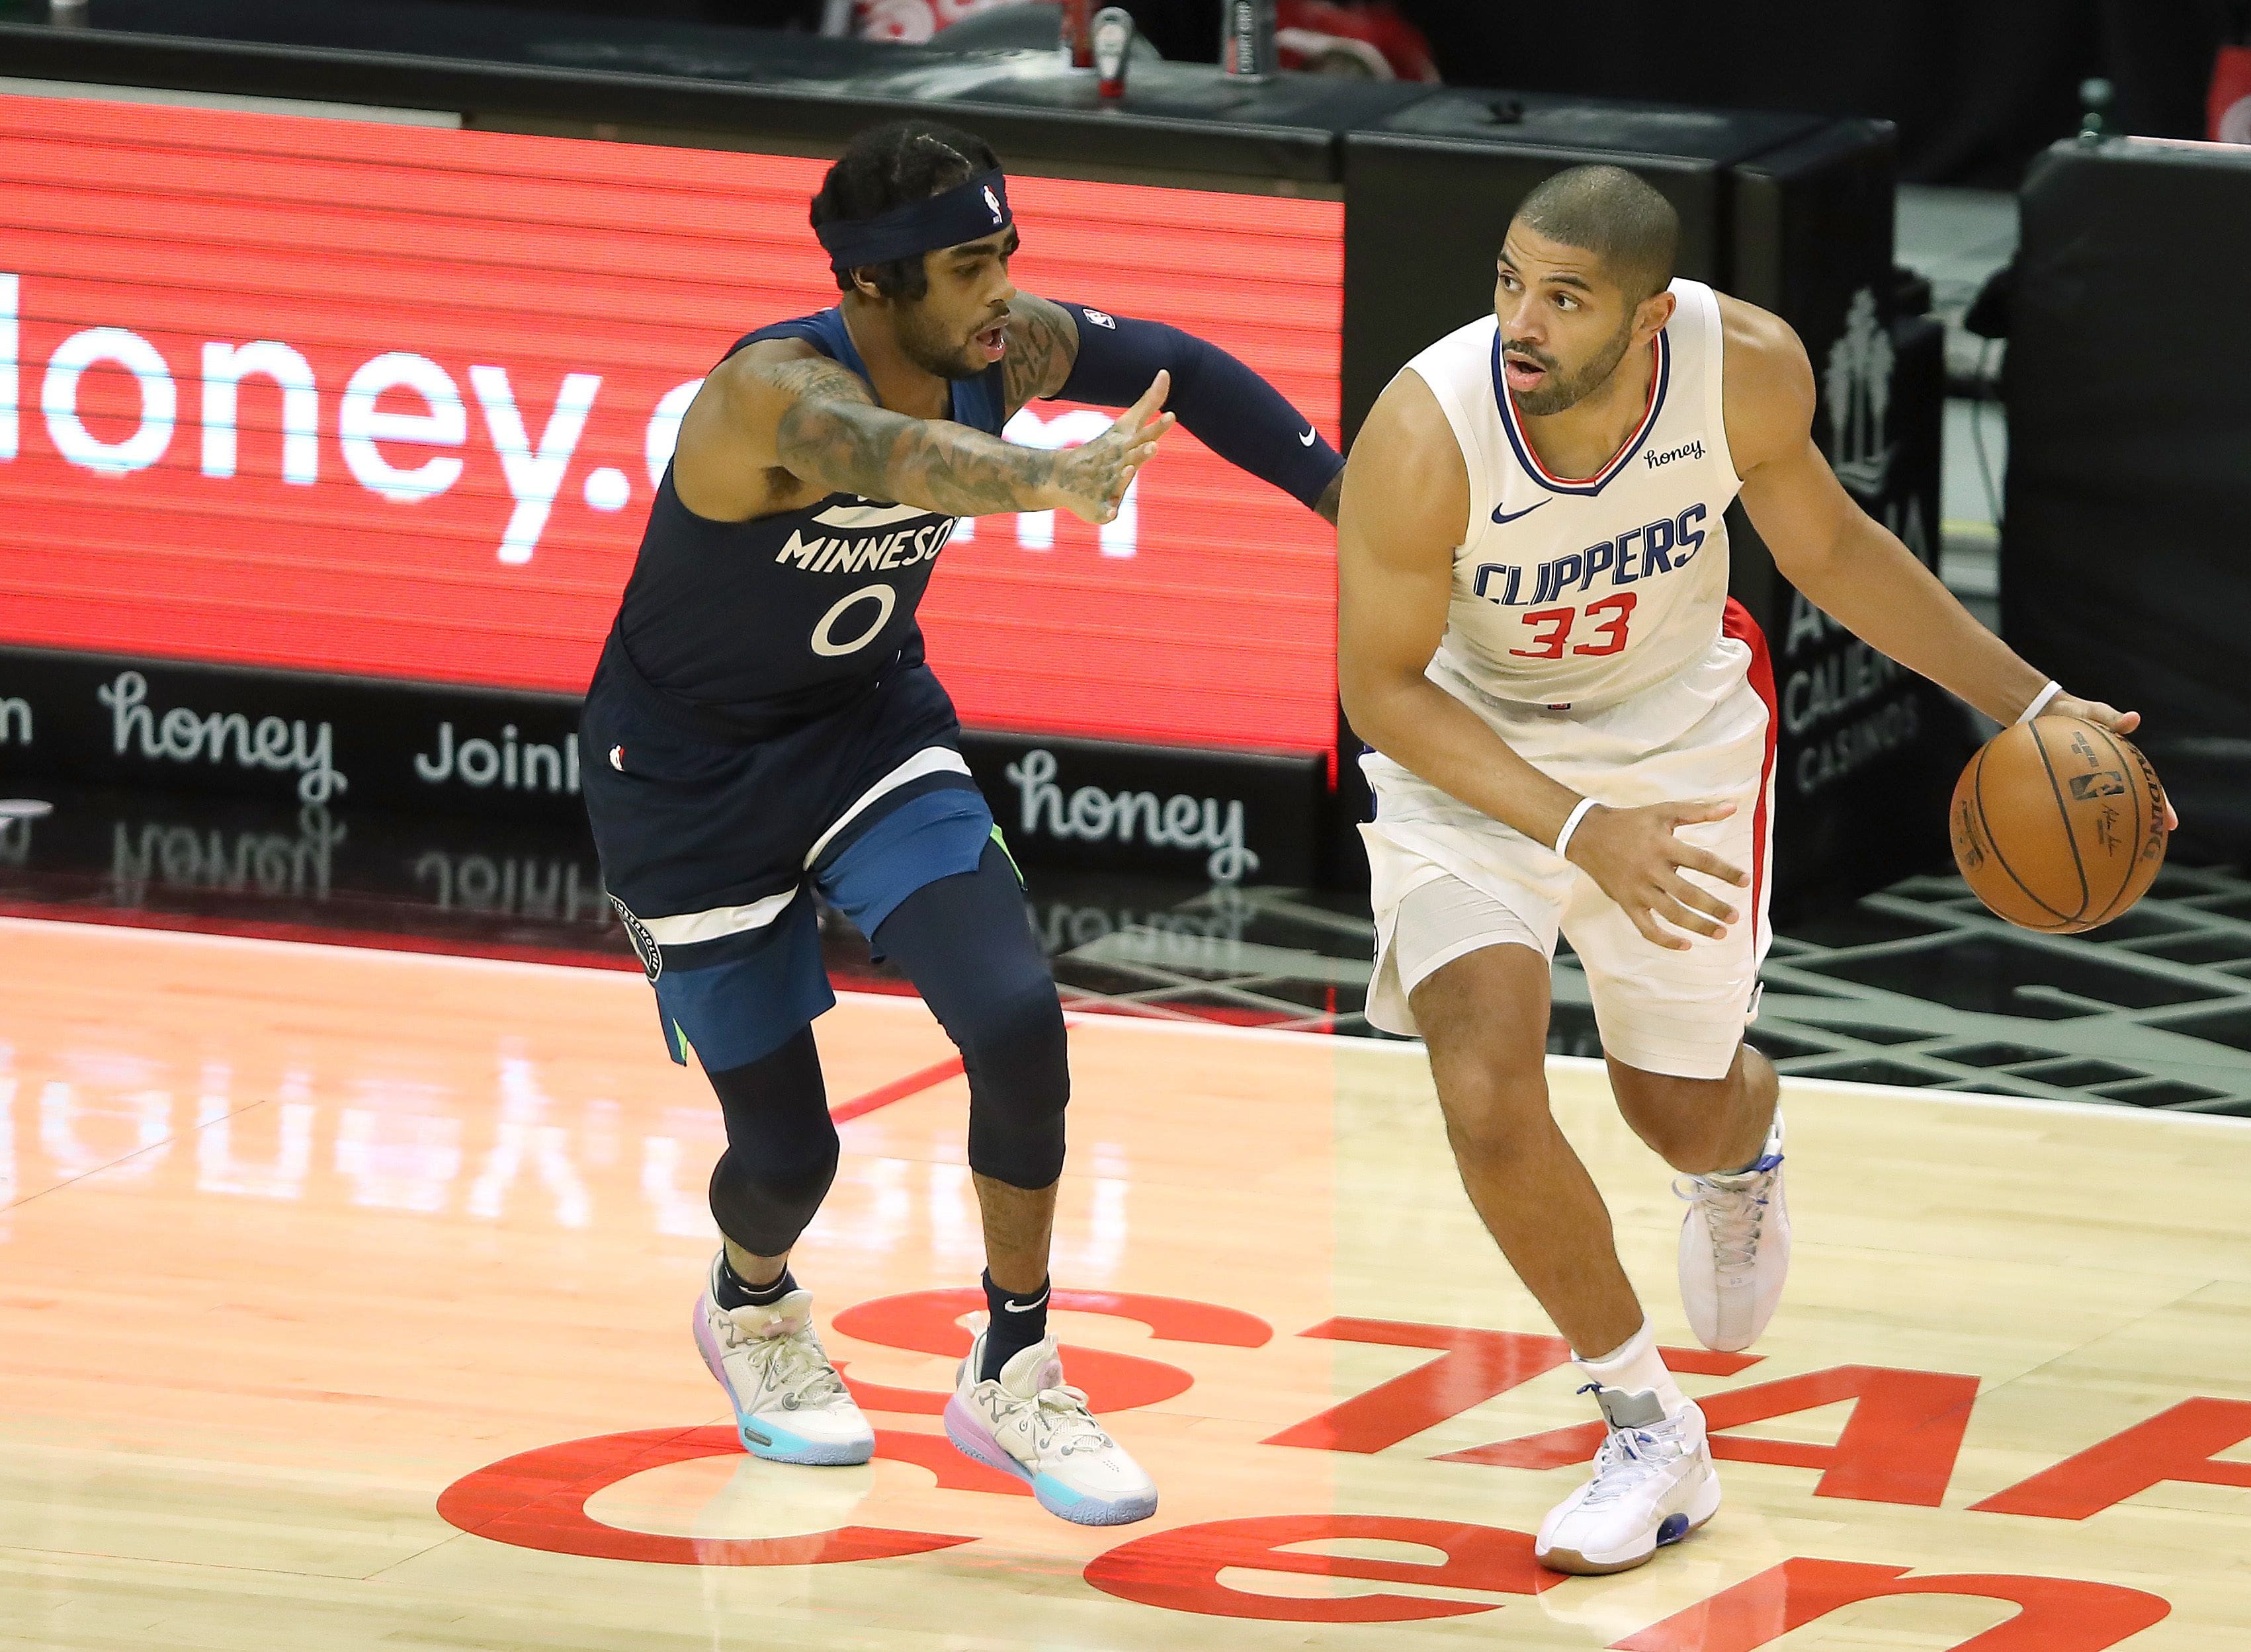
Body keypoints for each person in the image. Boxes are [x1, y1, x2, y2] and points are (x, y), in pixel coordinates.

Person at [1336, 165, 2167, 1576]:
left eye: (1566, 298)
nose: (1522, 322)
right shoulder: (1428, 431)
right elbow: (1382, 691)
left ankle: (1742, 1145)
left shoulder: (1745, 369)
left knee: (1676, 1112)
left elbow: (1830, 548)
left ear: (1650, 316)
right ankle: (1646, 1425)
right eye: (1510, 283)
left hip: (1676, 743)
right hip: (1472, 762)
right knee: (1482, 1083)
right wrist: (1574, 828)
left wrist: (2033, 704)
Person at [583, 118, 1342, 1527]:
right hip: (685, 781)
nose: (1003, 294)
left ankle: (1014, 1364)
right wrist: (1050, 478)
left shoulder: (1002, 347)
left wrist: (1341, 496)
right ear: (874, 282)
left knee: (1014, 1016)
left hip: (866, 731)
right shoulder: (770, 396)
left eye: (1006, 255)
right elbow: (892, 455)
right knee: (789, 1158)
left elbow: (1180, 362)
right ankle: (750, 1305)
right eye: (967, 267)